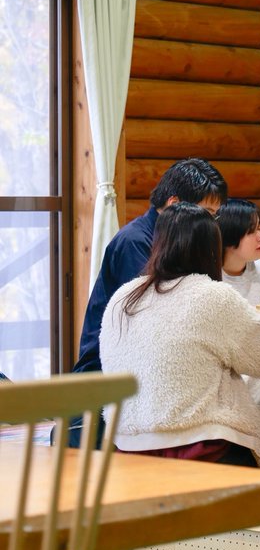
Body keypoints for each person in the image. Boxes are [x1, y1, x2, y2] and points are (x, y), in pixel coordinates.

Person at [99, 203, 260, 467]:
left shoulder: (123, 298)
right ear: (213, 248)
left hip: (129, 446)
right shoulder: (212, 296)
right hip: (205, 446)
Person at [67, 158, 228, 448]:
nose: (211, 225)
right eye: (207, 214)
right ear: (175, 203)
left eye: (214, 216)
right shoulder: (135, 242)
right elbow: (156, 315)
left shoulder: (169, 240)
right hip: (107, 377)